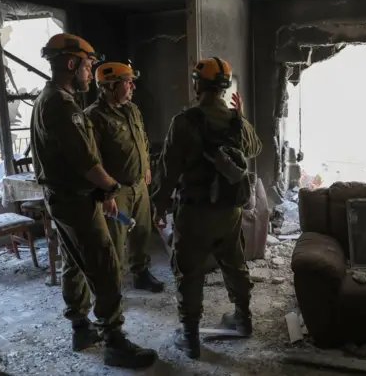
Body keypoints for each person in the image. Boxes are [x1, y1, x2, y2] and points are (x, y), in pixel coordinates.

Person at [30, 33, 158, 369]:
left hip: (67, 198)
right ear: (71, 64)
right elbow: (86, 160)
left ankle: (81, 328)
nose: (90, 73)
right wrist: (110, 188)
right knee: (105, 266)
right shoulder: (62, 105)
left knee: (76, 261)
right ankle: (114, 340)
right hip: (75, 200)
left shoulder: (51, 99)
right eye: (87, 66)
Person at [151, 57, 262, 359]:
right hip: (230, 211)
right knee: (234, 262)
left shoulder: (184, 122)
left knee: (189, 271)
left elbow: (168, 170)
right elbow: (254, 149)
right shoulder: (235, 118)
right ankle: (243, 318)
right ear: (225, 87)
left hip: (195, 212)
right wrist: (242, 116)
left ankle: (190, 338)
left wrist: (159, 206)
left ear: (197, 84)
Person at [84, 62, 164, 293]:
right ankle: (113, 287)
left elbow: (144, 141)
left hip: (139, 186)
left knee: (142, 232)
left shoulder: (132, 110)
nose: (132, 87)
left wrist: (146, 165)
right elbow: (93, 160)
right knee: (114, 240)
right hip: (116, 192)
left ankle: (141, 273)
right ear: (110, 86)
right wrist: (105, 194)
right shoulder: (94, 117)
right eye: (128, 82)